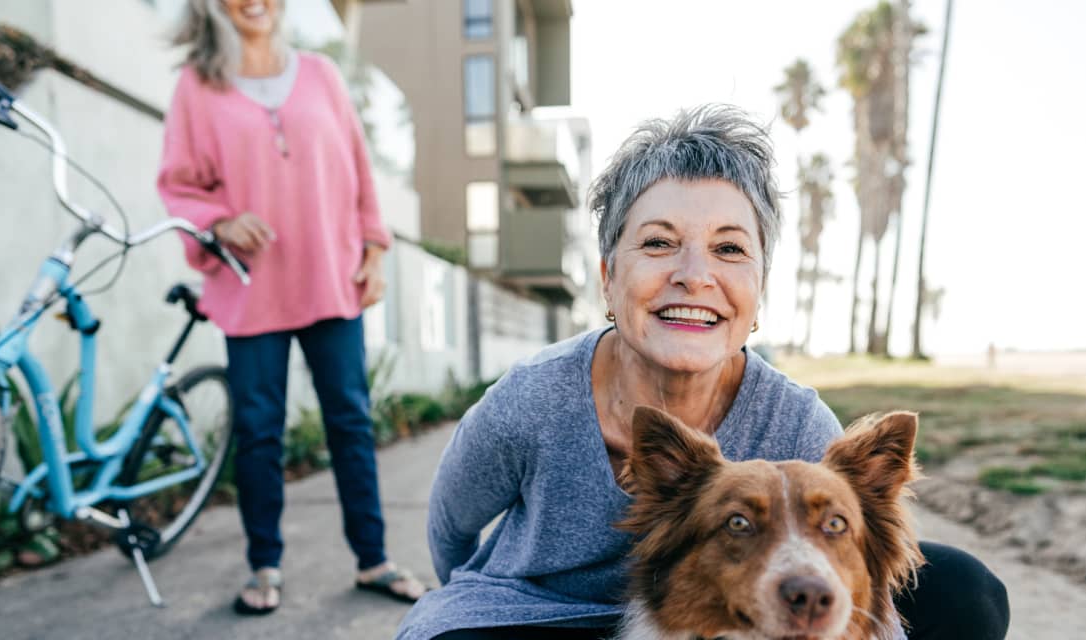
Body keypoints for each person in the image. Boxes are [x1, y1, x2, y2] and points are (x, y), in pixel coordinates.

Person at [397, 105, 1009, 639]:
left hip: (719, 617)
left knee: (963, 591)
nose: (695, 275)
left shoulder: (795, 421)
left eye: (730, 248)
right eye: (660, 243)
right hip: (542, 619)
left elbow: (850, 557)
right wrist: (466, 603)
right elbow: (450, 530)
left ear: (758, 290)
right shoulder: (531, 401)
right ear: (609, 277)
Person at [156, 0, 427, 615]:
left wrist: (374, 251)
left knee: (351, 422)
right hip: (251, 287)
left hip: (332, 278)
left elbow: (360, 170)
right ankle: (264, 566)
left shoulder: (321, 75)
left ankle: (374, 559)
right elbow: (178, 184)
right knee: (257, 431)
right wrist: (219, 221)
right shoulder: (198, 86)